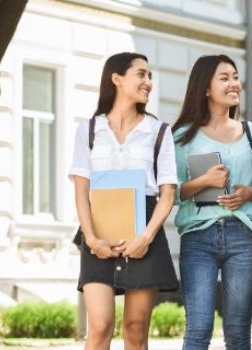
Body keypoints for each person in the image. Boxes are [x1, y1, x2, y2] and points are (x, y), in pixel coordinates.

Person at [69, 52, 179, 350]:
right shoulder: (89, 130)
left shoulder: (159, 132)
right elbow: (81, 190)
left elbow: (167, 192)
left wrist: (146, 237)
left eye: (150, 76)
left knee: (134, 329)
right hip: (98, 231)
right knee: (101, 325)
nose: (148, 82)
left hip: (145, 229)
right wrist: (91, 238)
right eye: (141, 74)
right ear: (116, 79)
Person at [172, 54, 252, 350]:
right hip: (198, 235)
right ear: (205, 89)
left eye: (235, 77)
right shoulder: (182, 137)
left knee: (238, 330)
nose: (233, 84)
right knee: (198, 328)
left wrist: (248, 193)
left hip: (244, 234)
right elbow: (169, 192)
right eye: (224, 78)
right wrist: (203, 182)